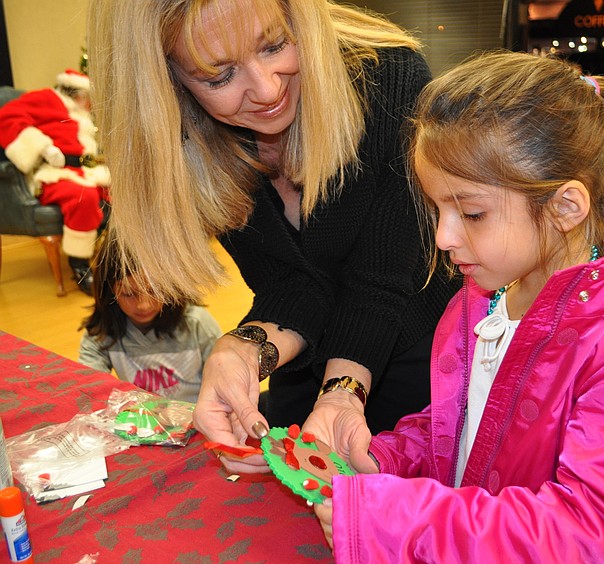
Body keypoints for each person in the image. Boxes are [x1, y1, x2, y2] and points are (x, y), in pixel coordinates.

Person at [314, 51, 604, 562]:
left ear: (565, 207)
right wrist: (383, 460)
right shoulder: (484, 298)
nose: (443, 237)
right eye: (437, 209)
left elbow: (586, 535)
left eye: (472, 213)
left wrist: (393, 518)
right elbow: (462, 429)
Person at [86, 0, 458, 470]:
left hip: (420, 349)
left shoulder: (387, 78)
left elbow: (380, 278)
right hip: (304, 358)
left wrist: (341, 395)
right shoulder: (191, 141)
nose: (266, 90)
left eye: (275, 45)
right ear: (169, 85)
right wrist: (242, 350)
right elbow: (292, 283)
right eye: (219, 76)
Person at [0, 69, 111, 295]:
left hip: (83, 171)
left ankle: (110, 259)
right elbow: (6, 117)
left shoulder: (80, 113)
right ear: (79, 94)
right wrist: (44, 148)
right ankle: (79, 265)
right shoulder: (45, 98)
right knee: (82, 197)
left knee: (115, 194)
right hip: (53, 173)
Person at [79, 230, 222, 403]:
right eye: (128, 294)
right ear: (109, 292)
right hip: (140, 419)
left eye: (154, 291)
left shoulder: (197, 324)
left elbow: (223, 382)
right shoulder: (102, 332)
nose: (143, 305)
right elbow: (90, 388)